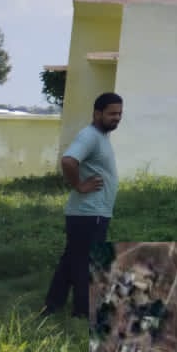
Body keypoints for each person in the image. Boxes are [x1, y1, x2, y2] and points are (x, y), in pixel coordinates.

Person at [41, 92, 123, 321]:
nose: (117, 118)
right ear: (97, 113)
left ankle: (52, 305)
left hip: (91, 213)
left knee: (71, 260)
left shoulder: (101, 137)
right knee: (85, 263)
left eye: (119, 114)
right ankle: (82, 313)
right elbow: (68, 161)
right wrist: (79, 184)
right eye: (112, 114)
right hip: (89, 213)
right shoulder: (90, 136)